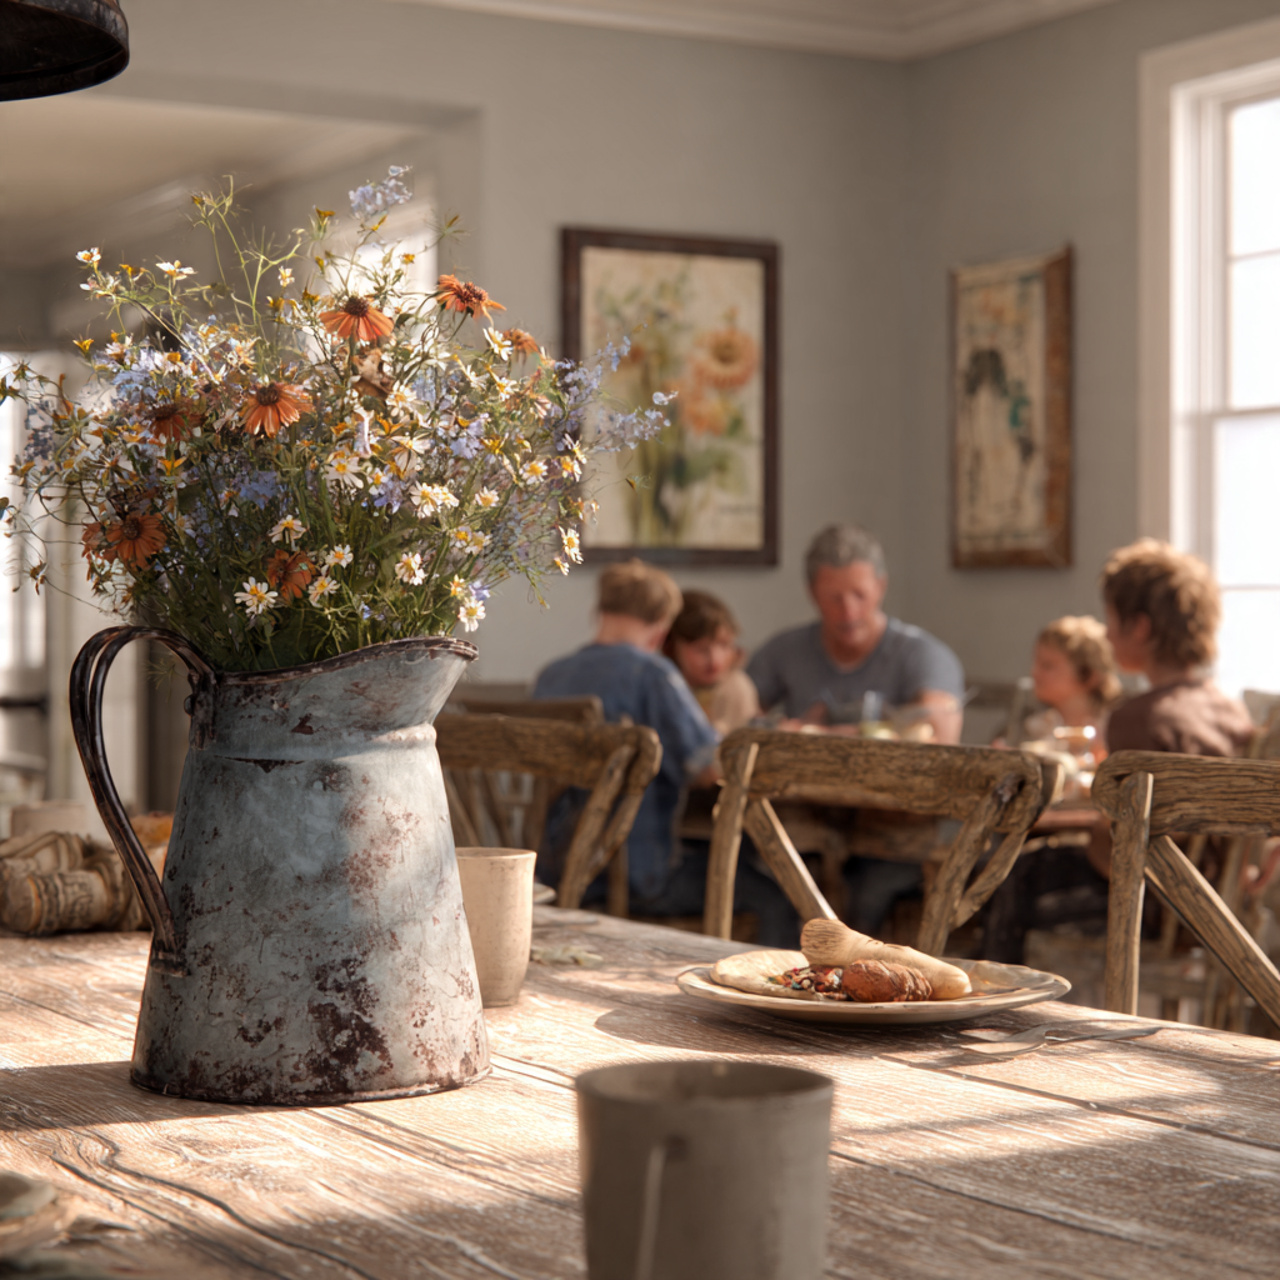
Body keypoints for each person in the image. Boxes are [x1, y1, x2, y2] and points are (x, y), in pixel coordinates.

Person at [533, 560, 797, 942]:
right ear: (661, 626)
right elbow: (709, 767)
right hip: (638, 876)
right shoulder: (653, 675)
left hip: (559, 870)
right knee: (778, 894)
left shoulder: (551, 676)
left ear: (600, 611)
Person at [747, 524, 965, 743]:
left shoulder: (925, 656)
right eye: (834, 598)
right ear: (812, 593)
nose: (849, 612)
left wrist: (813, 733)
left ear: (881, 587)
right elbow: (737, 723)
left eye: (860, 595)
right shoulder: (783, 651)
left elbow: (941, 737)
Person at [1102, 539, 1253, 757]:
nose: (1107, 634)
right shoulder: (1231, 710)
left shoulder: (1134, 719)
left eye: (1112, 620)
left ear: (1140, 627)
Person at [664, 590, 760, 735]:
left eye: (724, 645)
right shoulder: (664, 685)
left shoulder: (736, 688)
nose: (715, 659)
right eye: (701, 649)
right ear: (670, 647)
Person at [1021, 616, 1120, 744]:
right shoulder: (1034, 729)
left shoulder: (1113, 733)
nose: (1034, 673)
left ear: (1088, 674)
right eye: (1036, 663)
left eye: (1047, 665)